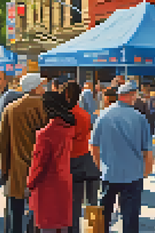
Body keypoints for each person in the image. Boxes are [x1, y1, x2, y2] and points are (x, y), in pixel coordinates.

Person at [90, 81, 154, 232]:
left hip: (109, 172)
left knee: (104, 214)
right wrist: (147, 171)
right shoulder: (139, 118)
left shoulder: (103, 115)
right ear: (131, 96)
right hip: (133, 174)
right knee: (130, 217)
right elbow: (147, 150)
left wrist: (100, 166)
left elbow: (93, 145)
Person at [0, 73, 50, 233]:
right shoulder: (47, 108)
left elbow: (3, 144)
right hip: (42, 168)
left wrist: (5, 169)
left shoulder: (10, 109)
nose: (44, 88)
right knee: (40, 213)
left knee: (16, 211)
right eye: (41, 85)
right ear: (35, 87)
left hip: (17, 169)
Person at [28, 91, 75, 232]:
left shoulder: (44, 134)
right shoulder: (68, 128)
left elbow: (39, 164)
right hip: (64, 181)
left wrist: (30, 183)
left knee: (47, 226)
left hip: (47, 185)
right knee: (62, 224)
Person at [63, 82, 101, 233]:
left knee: (67, 201)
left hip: (65, 160)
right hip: (82, 158)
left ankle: (70, 227)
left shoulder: (62, 115)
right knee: (80, 200)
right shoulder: (84, 115)